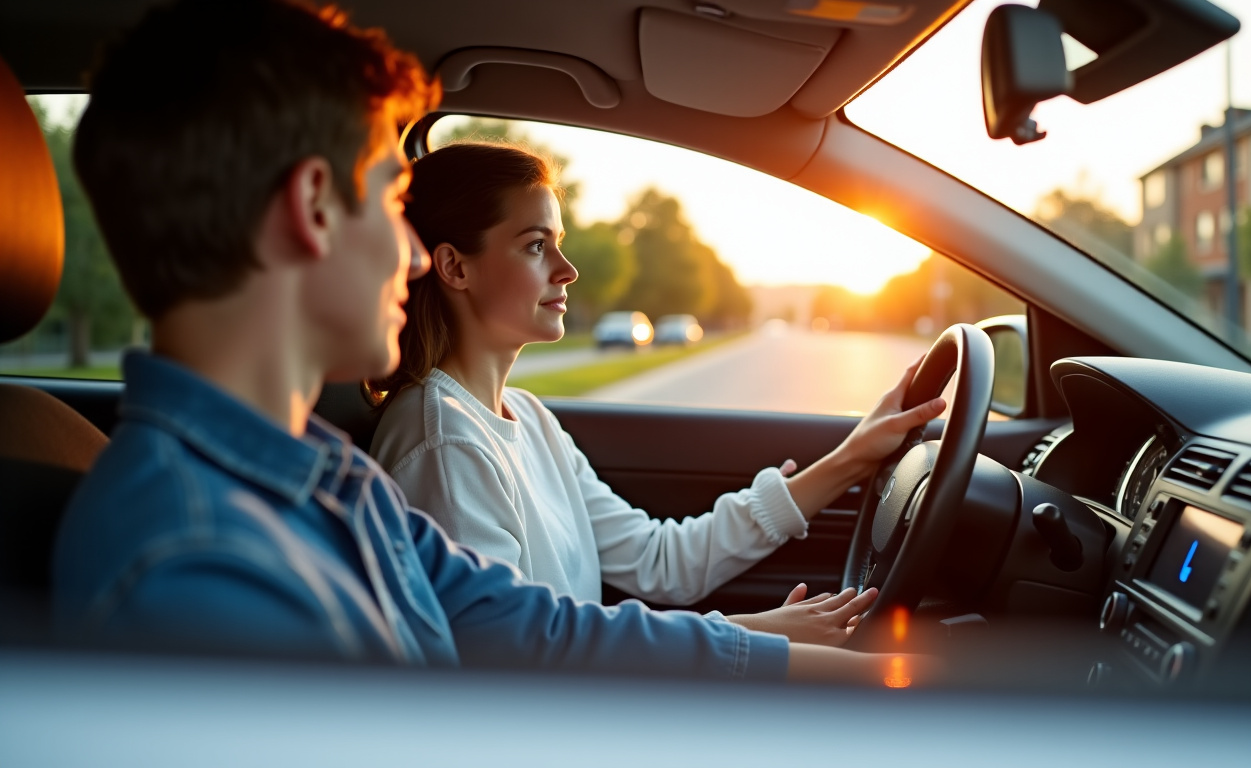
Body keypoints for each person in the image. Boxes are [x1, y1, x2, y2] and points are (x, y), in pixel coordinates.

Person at [51, 0, 932, 685]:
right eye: (386, 200)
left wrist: (836, 669)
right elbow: (517, 670)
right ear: (314, 209)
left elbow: (539, 632)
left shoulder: (327, 477)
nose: (407, 255)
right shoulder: (198, 565)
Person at [366, 141, 948, 646]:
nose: (568, 269)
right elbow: (516, 650)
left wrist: (853, 457)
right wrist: (757, 635)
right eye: (535, 245)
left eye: (558, 242)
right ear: (454, 267)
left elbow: (658, 561)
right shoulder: (442, 443)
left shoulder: (529, 418)